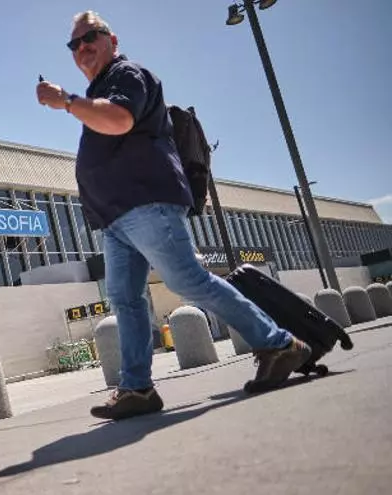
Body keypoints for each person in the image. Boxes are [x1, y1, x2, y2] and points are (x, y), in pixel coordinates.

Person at [36, 10, 312, 421]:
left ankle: (279, 344)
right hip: (115, 218)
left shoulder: (127, 75)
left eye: (90, 36)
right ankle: (137, 389)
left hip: (147, 202)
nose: (82, 47)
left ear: (112, 39)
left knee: (187, 280)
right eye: (74, 43)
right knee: (125, 300)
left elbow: (120, 120)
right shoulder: (100, 89)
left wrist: (67, 102)